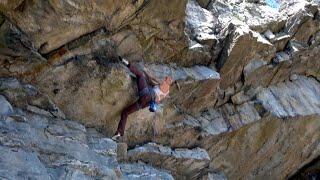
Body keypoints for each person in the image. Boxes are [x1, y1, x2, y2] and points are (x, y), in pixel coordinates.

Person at [112, 57, 173, 141]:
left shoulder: (164, 86)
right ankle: (119, 133)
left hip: (147, 95)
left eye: (166, 79)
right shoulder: (165, 92)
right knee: (125, 112)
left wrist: (145, 72)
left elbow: (151, 79)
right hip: (143, 104)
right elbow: (157, 97)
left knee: (140, 75)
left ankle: (127, 63)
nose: (165, 80)